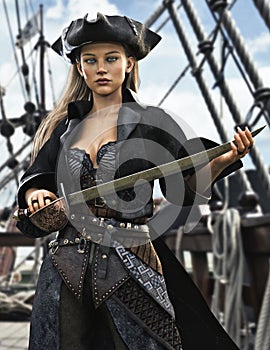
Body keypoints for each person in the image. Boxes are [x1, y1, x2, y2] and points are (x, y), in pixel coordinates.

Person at [16, 13, 253, 350]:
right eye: (90, 60)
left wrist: (221, 162)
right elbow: (37, 179)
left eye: (111, 58)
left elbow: (183, 187)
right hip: (66, 262)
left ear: (128, 64)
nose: (101, 68)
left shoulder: (154, 124)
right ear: (80, 67)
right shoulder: (63, 130)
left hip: (131, 257)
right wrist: (37, 193)